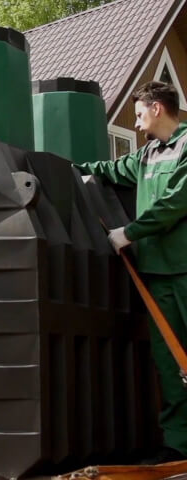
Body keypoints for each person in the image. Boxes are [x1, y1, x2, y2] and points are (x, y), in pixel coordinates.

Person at [77, 80, 187, 463]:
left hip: (185, 269)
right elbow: (110, 169)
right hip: (157, 274)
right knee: (170, 363)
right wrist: (68, 168)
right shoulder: (146, 155)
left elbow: (176, 202)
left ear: (157, 108)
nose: (137, 125)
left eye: (139, 115)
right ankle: (180, 446)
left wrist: (130, 232)